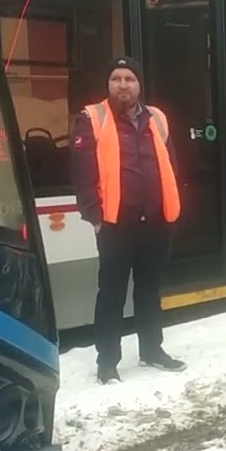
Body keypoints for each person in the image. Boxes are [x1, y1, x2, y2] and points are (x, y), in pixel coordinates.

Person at [73, 56, 186, 384]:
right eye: (116, 78)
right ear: (108, 84)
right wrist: (94, 216)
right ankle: (107, 362)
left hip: (156, 221)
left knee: (150, 290)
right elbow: (82, 172)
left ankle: (152, 350)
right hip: (115, 225)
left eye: (129, 78)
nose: (123, 84)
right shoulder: (92, 117)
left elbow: (171, 164)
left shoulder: (158, 118)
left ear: (139, 85)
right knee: (111, 293)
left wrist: (170, 212)